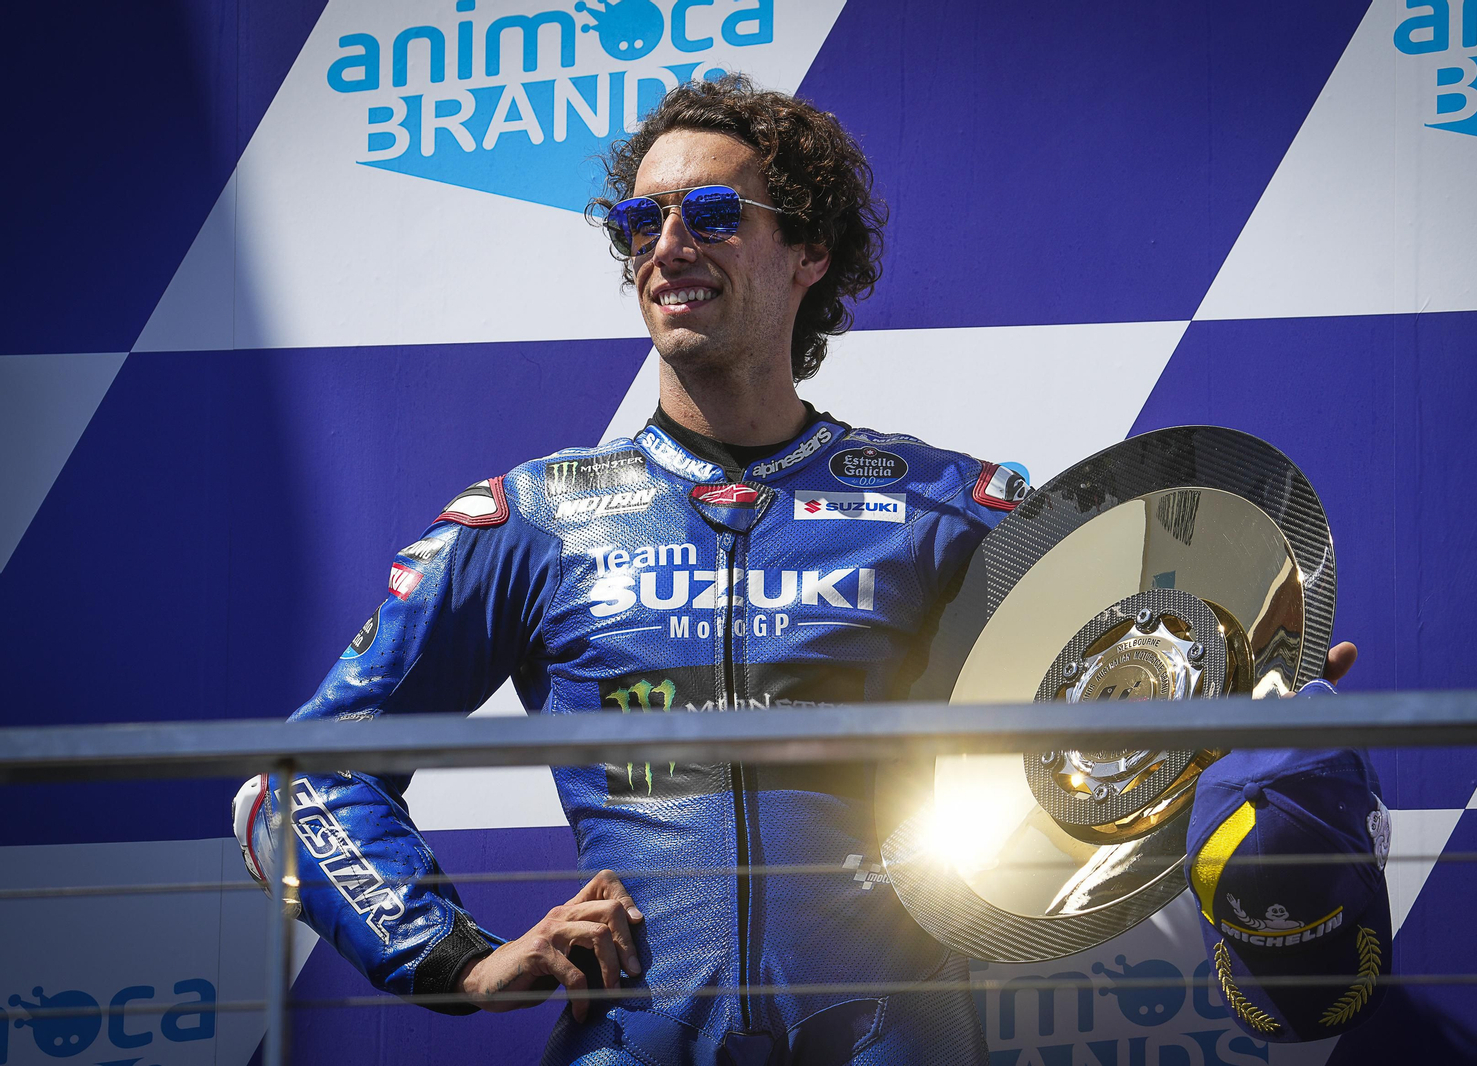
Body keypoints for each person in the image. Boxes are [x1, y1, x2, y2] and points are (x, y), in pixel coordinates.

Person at [232, 76, 1359, 1065]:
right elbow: (299, 777)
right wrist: (455, 958)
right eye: (640, 220)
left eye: (713, 212)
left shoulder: (940, 508)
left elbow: (1109, 710)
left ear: (809, 253)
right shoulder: (535, 518)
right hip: (630, 1043)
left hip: (899, 1036)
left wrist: (1249, 694)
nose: (667, 244)